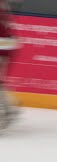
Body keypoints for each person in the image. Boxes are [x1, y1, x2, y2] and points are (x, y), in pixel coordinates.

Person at [0, 0, 19, 130]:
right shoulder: (3, 9)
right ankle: (9, 109)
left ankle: (7, 112)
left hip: (3, 46)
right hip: (7, 46)